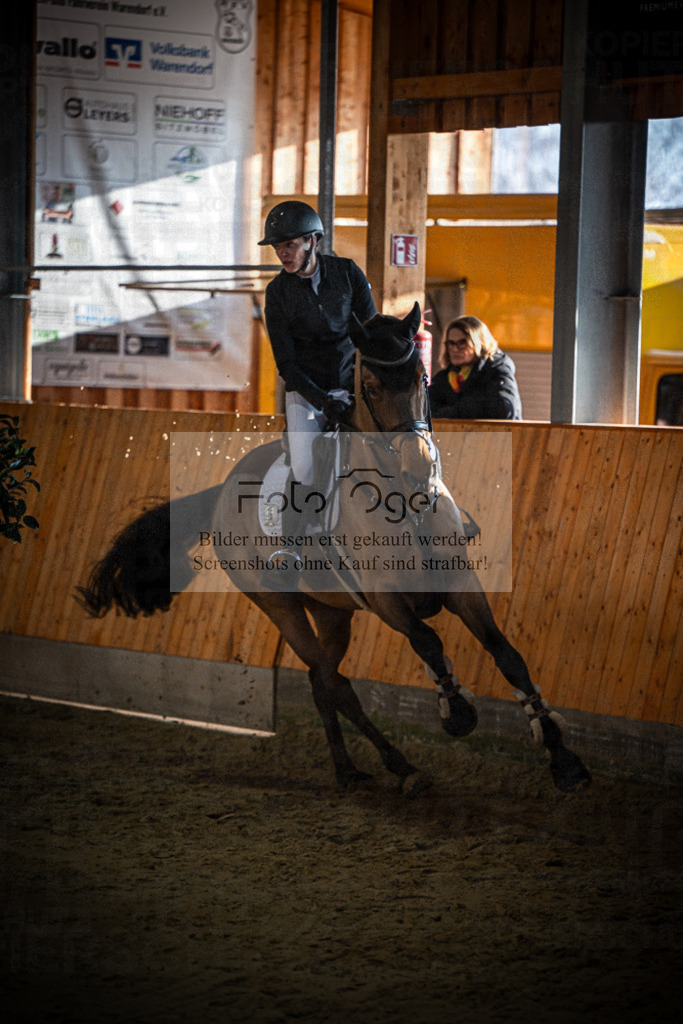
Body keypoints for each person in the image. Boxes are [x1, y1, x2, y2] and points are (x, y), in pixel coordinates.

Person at [258, 200, 376, 486]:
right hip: (305, 394)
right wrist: (323, 401)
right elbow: (286, 364)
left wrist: (363, 388)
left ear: (311, 241)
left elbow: (370, 335)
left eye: (289, 245)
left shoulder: (347, 273)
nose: (283, 254)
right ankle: (303, 527)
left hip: (352, 387)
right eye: (277, 248)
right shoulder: (277, 293)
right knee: (304, 468)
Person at [428, 315, 522, 420]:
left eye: (462, 343)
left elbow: (505, 409)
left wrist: (450, 411)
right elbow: (424, 409)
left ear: (479, 343)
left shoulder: (497, 368)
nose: (454, 349)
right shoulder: (447, 377)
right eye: (451, 343)